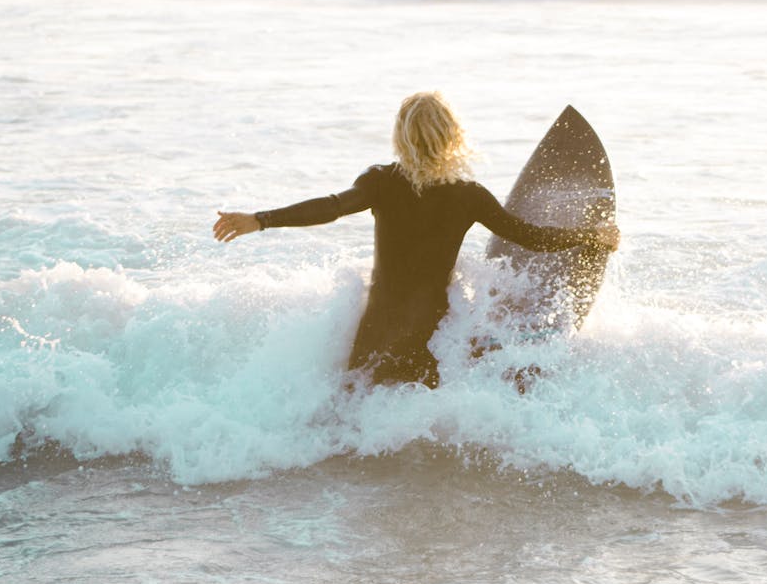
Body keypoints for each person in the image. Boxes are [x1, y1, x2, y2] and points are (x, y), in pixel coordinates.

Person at [214, 92, 619, 388]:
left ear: (401, 136)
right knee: (422, 429)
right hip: (432, 334)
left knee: (357, 418)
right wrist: (591, 235)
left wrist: (259, 220)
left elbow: (330, 207)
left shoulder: (380, 183)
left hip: (377, 330)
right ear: (452, 136)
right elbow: (528, 236)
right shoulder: (468, 195)